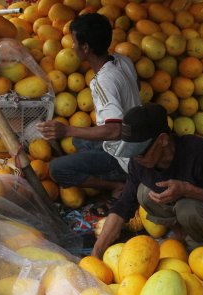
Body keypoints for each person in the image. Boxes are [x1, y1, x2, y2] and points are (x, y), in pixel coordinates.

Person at [92, 103, 203, 258]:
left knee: (187, 208)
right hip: (186, 207)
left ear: (163, 140)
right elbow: (123, 206)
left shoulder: (200, 153)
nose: (137, 158)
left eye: (140, 151)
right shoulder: (139, 163)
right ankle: (181, 234)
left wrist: (188, 190)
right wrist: (96, 252)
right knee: (144, 193)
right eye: (132, 152)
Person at [37, 13, 140, 196]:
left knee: (57, 169)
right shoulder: (124, 60)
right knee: (79, 140)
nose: (72, 46)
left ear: (85, 48)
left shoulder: (103, 81)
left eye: (74, 42)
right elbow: (135, 87)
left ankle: (118, 185)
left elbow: (115, 130)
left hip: (124, 156)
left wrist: (66, 130)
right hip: (136, 140)